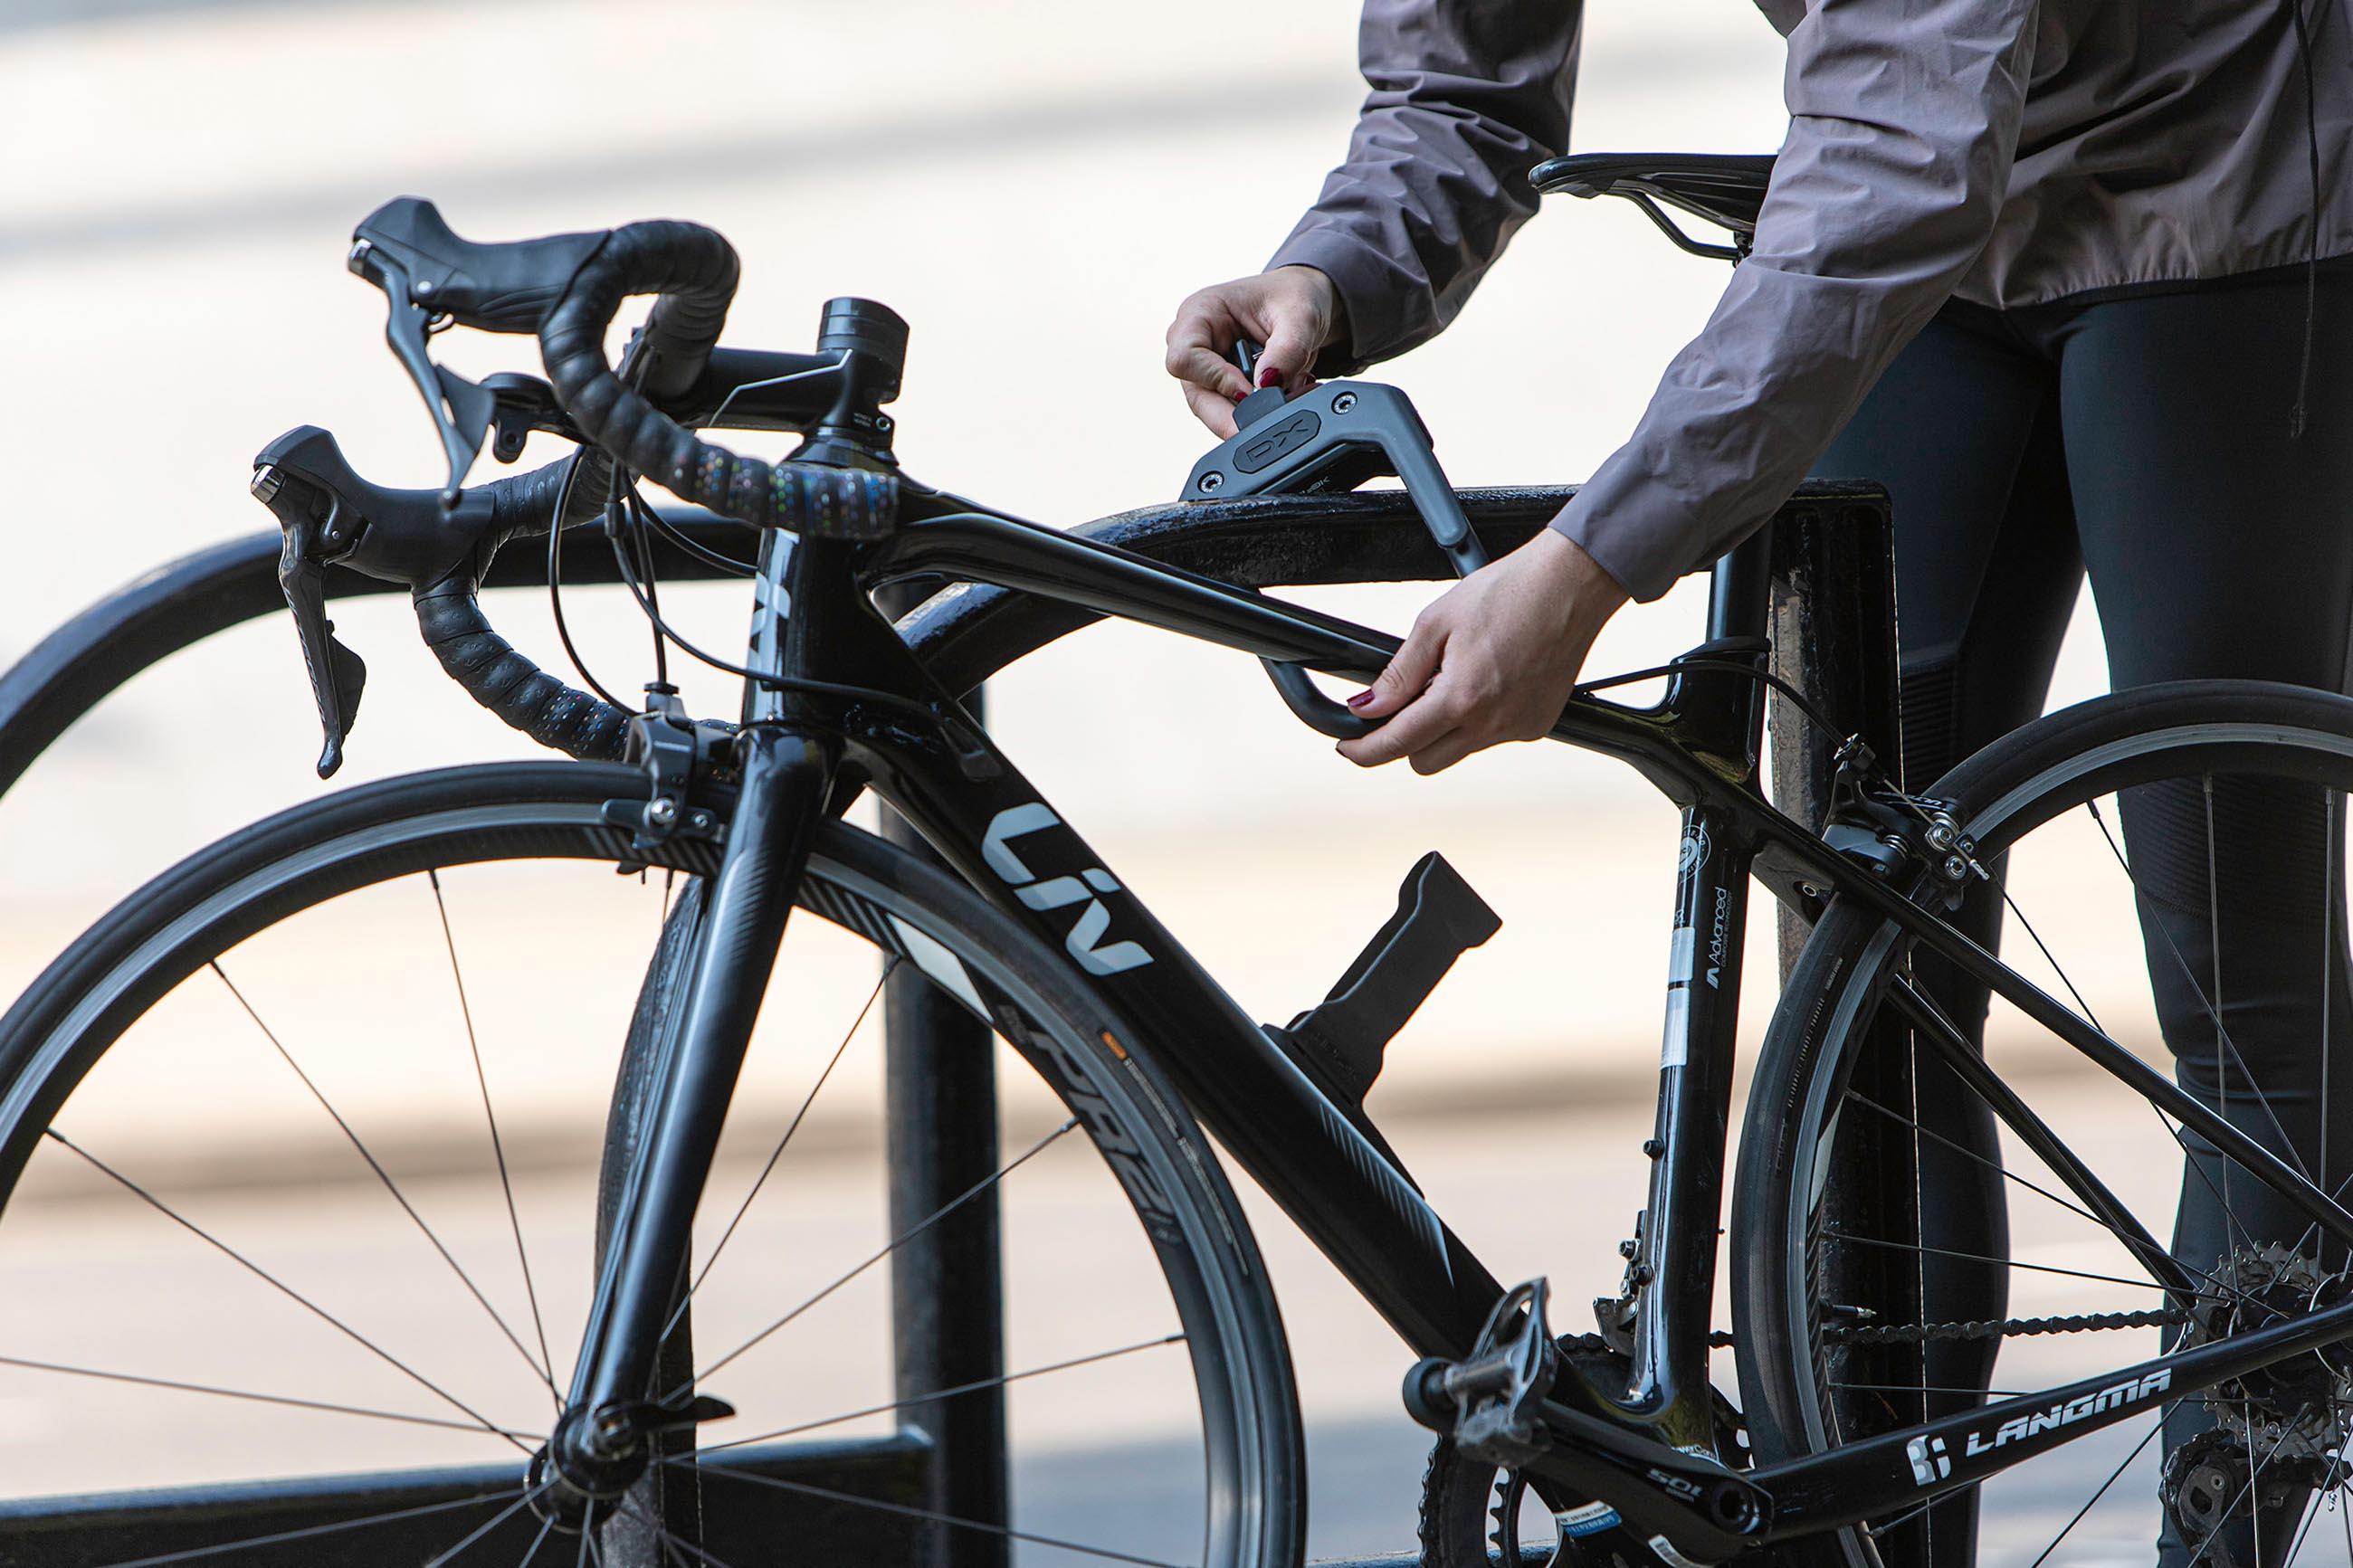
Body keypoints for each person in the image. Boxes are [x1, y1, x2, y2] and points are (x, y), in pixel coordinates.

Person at [1165, 2, 2352, 1563]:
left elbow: (1902, 154)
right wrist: (1338, 266)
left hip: (2225, 170)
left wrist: (1588, 569)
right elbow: (1464, 72)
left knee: (2241, 991)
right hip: (1919, 202)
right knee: (1867, 994)